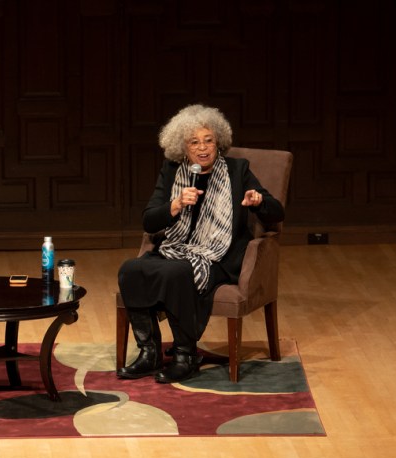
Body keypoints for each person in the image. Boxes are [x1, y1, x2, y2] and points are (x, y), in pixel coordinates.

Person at [117, 103, 285, 383]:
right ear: (183, 148)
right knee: (130, 269)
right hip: (176, 248)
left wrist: (258, 202)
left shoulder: (236, 170)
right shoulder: (172, 171)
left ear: (218, 141)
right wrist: (174, 205)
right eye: (194, 142)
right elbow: (149, 221)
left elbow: (276, 213)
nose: (203, 148)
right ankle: (150, 353)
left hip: (218, 256)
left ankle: (186, 355)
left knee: (178, 272)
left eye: (208, 140)